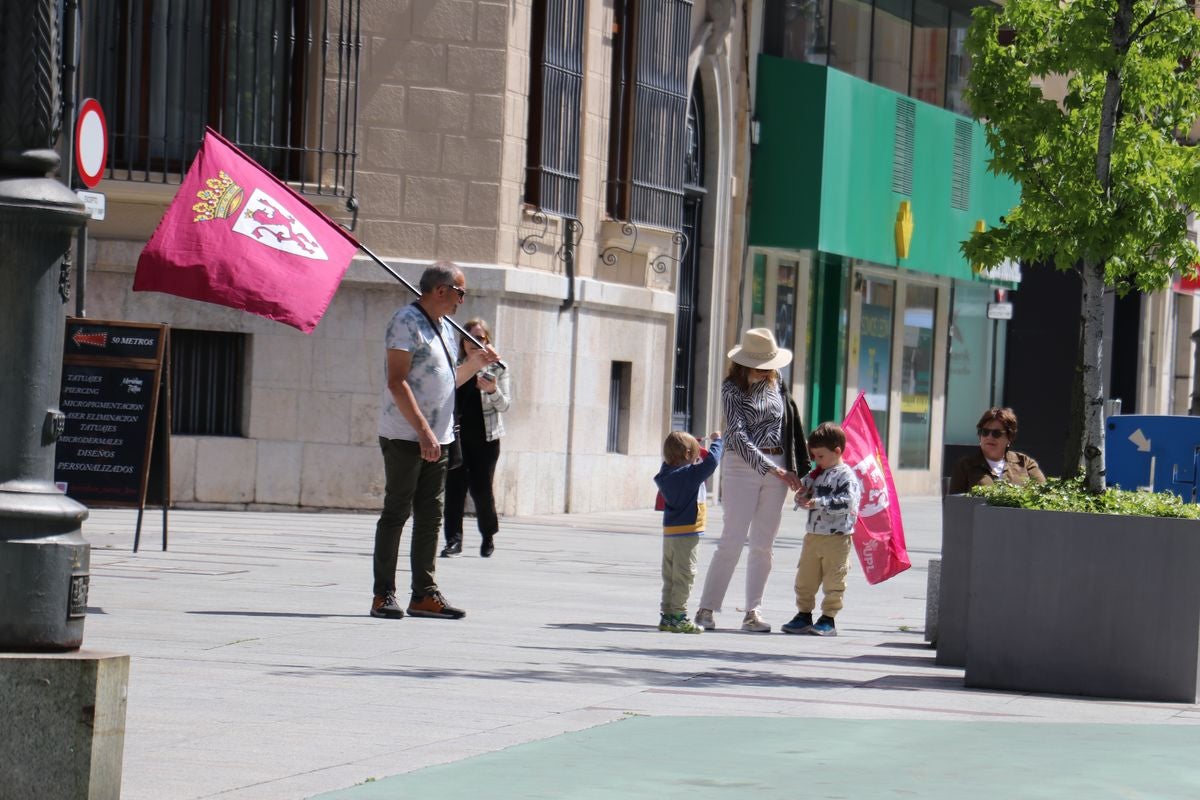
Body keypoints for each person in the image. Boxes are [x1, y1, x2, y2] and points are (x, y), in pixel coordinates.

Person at [371, 262, 500, 621]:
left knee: (431, 515)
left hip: (439, 439)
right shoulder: (405, 322)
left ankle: (424, 594)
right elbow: (397, 382)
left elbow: (446, 381)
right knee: (397, 511)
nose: (463, 300)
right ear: (441, 290)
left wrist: (474, 363)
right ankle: (383, 594)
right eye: (461, 292)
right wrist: (424, 431)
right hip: (405, 435)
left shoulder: (443, 326)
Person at [695, 328, 809, 633]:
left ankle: (753, 611)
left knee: (763, 543)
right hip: (742, 465)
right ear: (744, 363)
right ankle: (706, 608)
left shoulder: (778, 383)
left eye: (768, 363)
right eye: (759, 364)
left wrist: (792, 468)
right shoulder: (731, 389)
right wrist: (774, 469)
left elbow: (791, 426)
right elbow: (739, 436)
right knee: (732, 538)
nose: (766, 369)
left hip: (780, 464)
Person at [781, 423, 863, 637]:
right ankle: (803, 614)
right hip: (813, 536)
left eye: (820, 456)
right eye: (814, 456)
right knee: (805, 578)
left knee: (834, 579)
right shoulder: (816, 474)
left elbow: (849, 503)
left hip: (837, 538)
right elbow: (803, 492)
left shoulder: (846, 476)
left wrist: (818, 502)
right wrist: (801, 496)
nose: (817, 460)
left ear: (837, 452)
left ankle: (828, 618)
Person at [441, 319, 511, 559]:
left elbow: (505, 405)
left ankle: (488, 534)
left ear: (487, 341)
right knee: (454, 489)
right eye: (470, 338)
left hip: (487, 438)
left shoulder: (498, 368)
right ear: (462, 342)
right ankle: (453, 540)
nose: (475, 343)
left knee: (482, 489)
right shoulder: (454, 366)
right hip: (456, 436)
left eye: (480, 339)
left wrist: (492, 391)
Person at [653, 430, 724, 634]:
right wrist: (717, 442)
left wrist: (693, 446)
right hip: (688, 533)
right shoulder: (690, 475)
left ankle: (667, 615)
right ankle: (678, 616)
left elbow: (680, 459)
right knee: (685, 575)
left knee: (671, 576)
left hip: (670, 534)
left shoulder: (666, 474)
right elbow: (711, 462)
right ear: (687, 455)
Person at [947, 407, 1046, 495]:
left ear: (1009, 438)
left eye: (996, 433)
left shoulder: (1025, 462)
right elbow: (954, 506)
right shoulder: (965, 465)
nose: (989, 437)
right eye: (985, 432)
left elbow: (1044, 494)